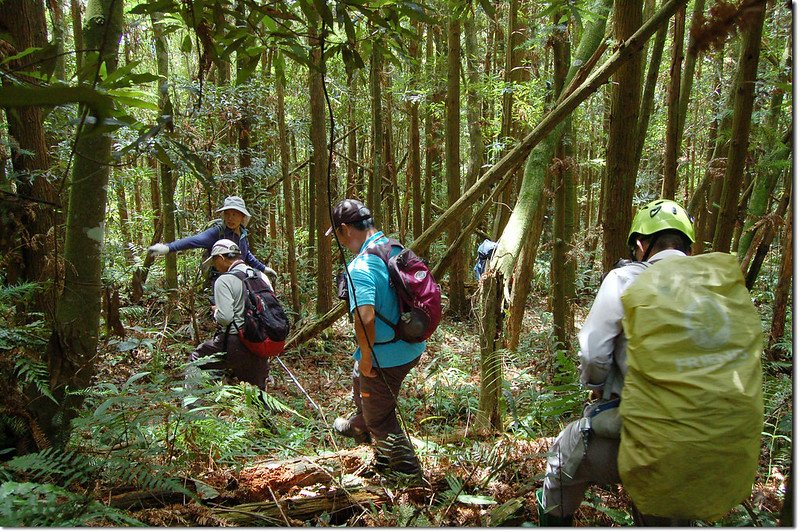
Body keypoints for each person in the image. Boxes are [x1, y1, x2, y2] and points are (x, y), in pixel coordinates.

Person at [537, 199, 696, 526]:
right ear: (688, 247)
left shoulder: (627, 279)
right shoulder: (715, 290)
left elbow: (593, 355)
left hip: (638, 431)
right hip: (703, 440)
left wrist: (597, 386)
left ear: (640, 245)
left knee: (562, 460)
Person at [327, 199, 425, 480]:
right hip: (409, 343)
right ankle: (365, 427)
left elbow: (365, 318)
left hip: (387, 355)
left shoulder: (360, 267)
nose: (340, 242)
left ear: (345, 229)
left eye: (337, 234)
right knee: (359, 373)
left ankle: (408, 475)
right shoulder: (392, 246)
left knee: (381, 418)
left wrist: (368, 357)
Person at [188, 239, 270, 390]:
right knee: (258, 395)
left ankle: (192, 407)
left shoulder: (224, 280)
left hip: (235, 342)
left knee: (197, 360)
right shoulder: (261, 276)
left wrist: (216, 311)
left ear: (221, 258)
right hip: (261, 341)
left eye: (214, 262)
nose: (215, 266)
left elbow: (225, 318)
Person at [148, 196, 276, 288]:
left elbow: (246, 255)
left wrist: (264, 269)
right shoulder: (217, 233)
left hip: (240, 279)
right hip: (221, 281)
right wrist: (168, 248)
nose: (230, 218)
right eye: (227, 214)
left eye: (235, 214)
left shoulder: (242, 234)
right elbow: (193, 241)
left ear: (242, 216)